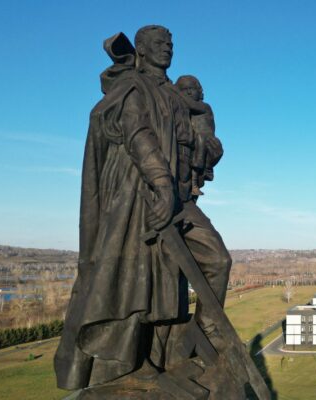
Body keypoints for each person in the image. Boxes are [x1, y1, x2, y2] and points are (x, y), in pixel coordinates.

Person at [55, 25, 232, 390]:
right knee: (143, 279)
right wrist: (162, 183)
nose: (167, 47)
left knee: (217, 261)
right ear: (141, 48)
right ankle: (134, 361)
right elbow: (138, 136)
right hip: (145, 195)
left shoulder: (176, 94)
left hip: (181, 200)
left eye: (170, 42)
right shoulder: (133, 87)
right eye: (158, 43)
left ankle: (200, 340)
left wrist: (204, 146)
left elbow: (200, 140)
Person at [175, 75, 223, 199]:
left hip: (206, 142)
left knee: (200, 144)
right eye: (185, 90)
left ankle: (201, 176)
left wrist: (171, 89)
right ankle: (194, 183)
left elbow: (189, 103)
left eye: (191, 89)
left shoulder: (204, 107)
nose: (189, 93)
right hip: (195, 143)